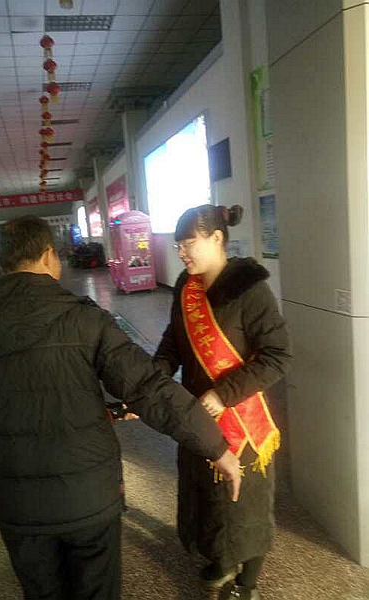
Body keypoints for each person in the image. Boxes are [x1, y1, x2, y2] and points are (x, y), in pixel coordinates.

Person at [0, 215, 241, 600]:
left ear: (3, 263)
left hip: (20, 508)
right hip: (90, 500)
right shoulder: (87, 320)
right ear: (48, 256)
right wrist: (215, 446)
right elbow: (149, 389)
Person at [154, 205, 292, 600]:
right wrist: (154, 375)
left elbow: (278, 356)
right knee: (208, 496)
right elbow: (173, 341)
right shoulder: (186, 287)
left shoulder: (250, 289)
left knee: (244, 504)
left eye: (189, 243)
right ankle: (222, 558)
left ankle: (246, 585)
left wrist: (223, 394)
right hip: (198, 415)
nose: (182, 252)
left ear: (217, 238)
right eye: (178, 245)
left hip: (241, 419)